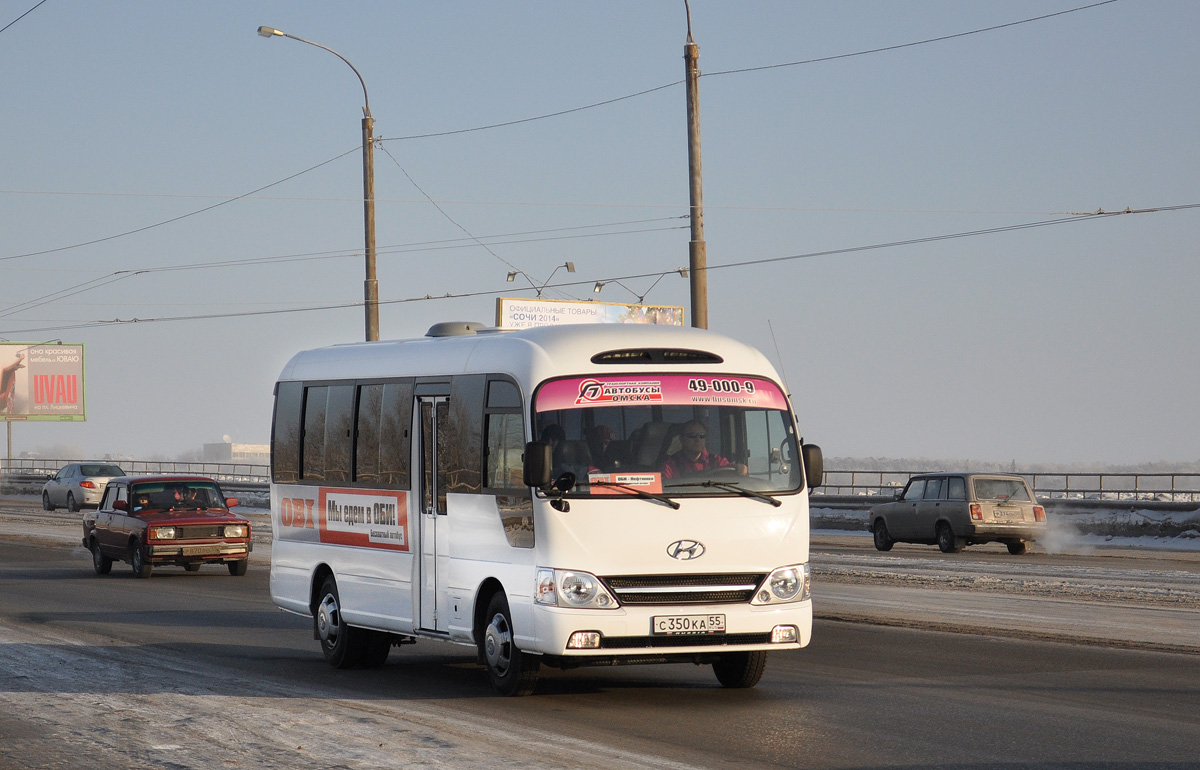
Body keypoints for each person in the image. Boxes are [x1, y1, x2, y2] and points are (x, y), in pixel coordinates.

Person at [661, 420, 747, 479]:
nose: (698, 439)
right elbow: (663, 487)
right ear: (681, 439)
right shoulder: (671, 464)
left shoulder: (716, 461)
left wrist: (740, 468)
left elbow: (734, 474)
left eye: (702, 435)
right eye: (692, 435)